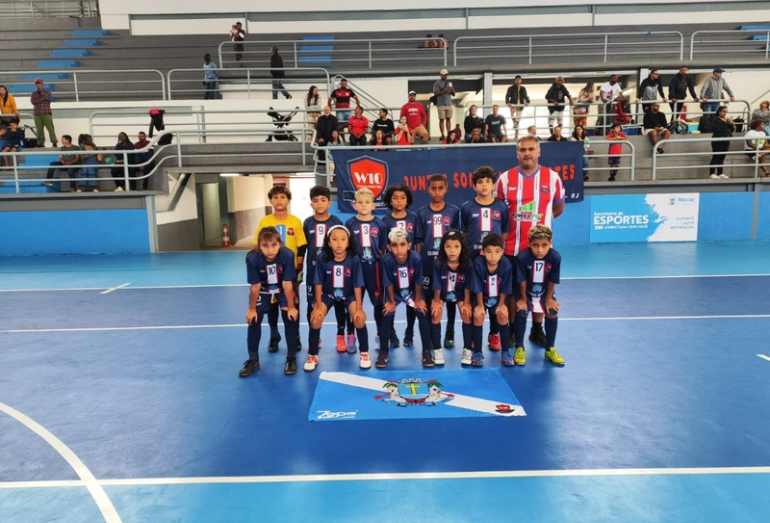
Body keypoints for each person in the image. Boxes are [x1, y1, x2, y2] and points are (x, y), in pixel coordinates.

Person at [494, 136, 564, 348]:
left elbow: (558, 208)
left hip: (540, 251)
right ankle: (516, 331)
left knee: (540, 290)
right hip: (513, 249)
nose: (527, 153)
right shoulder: (505, 179)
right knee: (515, 293)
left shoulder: (552, 178)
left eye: (531, 149)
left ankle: (536, 329)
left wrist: (541, 224)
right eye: (522, 149)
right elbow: (498, 211)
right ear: (517, 153)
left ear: (539, 151)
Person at [305, 225, 371, 371]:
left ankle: (364, 353)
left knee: (359, 319)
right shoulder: (322, 258)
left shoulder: (353, 259)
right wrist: (317, 307)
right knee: (315, 318)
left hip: (348, 295)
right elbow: (318, 283)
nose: (339, 243)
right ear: (329, 242)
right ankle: (313, 355)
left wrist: (359, 308)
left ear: (348, 242)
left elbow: (357, 284)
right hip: (327, 295)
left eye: (343, 239)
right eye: (334, 239)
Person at [460, 165, 510, 351]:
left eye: (488, 182)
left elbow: (504, 233)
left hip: (494, 262)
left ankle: (494, 334)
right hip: (473, 260)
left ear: (493, 184)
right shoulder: (467, 207)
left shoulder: (501, 207)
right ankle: (475, 335)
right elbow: (464, 233)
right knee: (476, 297)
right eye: (480, 182)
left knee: (494, 296)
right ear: (474, 186)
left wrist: (494, 253)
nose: (484, 185)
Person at [240, 226, 300, 377]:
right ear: (259, 246)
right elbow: (255, 286)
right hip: (263, 289)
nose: (270, 250)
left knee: (290, 317)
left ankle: (291, 357)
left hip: (282, 287)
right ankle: (253, 360)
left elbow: (287, 283)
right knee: (254, 320)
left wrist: (291, 306)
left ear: (280, 244)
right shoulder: (252, 258)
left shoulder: (287, 255)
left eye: (274, 245)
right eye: (265, 245)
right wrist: (252, 309)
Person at [254, 185, 307, 352]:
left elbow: (302, 247)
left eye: (282, 197)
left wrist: (298, 270)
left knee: (292, 304)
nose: (279, 200)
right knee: (271, 305)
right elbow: (258, 245)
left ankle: (295, 335)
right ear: (270, 201)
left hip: (290, 273)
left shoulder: (295, 221)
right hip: (269, 273)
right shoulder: (265, 221)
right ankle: (274, 334)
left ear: (288, 200)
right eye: (275, 197)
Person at [303, 185, 354, 353]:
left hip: (333, 273)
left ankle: (340, 336)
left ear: (329, 203)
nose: (319, 204)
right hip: (313, 273)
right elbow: (304, 248)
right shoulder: (307, 223)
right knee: (312, 305)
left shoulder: (336, 223)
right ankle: (315, 336)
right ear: (311, 204)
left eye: (323, 200)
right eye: (315, 201)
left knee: (339, 304)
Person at [377, 228, 434, 368]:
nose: (399, 249)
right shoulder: (387, 260)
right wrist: (391, 302)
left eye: (402, 244)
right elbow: (388, 283)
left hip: (411, 291)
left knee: (422, 312)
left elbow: (418, 281)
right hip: (395, 293)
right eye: (394, 245)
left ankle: (427, 351)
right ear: (389, 247)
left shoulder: (415, 258)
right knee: (386, 313)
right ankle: (384, 351)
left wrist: (418, 300)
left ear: (409, 245)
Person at [415, 174, 460, 350]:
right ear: (428, 189)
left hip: (449, 266)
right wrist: (422, 260)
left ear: (446, 188)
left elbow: (458, 239)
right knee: (430, 300)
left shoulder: (454, 211)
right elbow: (418, 241)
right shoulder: (422, 213)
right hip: (428, 265)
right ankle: (432, 338)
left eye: (440, 188)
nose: (437, 191)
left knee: (450, 298)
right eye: (433, 188)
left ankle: (450, 331)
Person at [513, 225, 564, 366]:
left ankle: (550, 349)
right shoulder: (522, 257)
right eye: (535, 245)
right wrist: (523, 299)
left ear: (550, 244)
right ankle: (519, 348)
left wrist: (548, 299)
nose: (540, 250)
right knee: (521, 311)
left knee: (552, 311)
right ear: (529, 244)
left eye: (544, 245)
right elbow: (522, 280)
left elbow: (553, 279)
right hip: (526, 291)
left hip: (544, 291)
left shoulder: (555, 257)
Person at [345, 188, 387, 351]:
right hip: (356, 267)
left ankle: (379, 334)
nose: (363, 205)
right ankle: (351, 335)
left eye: (367, 202)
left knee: (378, 303)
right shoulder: (350, 223)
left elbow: (382, 249)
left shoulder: (379, 223)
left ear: (373, 205)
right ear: (354, 205)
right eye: (360, 202)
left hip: (374, 267)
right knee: (354, 302)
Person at [466, 234, 512, 367]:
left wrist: (502, 305)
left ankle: (506, 352)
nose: (493, 256)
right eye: (489, 252)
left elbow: (505, 287)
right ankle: (478, 352)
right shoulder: (478, 264)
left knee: (502, 315)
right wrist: (480, 305)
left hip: (498, 298)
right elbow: (477, 287)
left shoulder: (506, 264)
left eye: (497, 252)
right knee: (479, 316)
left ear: (502, 252)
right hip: (482, 297)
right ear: (482, 252)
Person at [382, 184, 419, 348]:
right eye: (395, 197)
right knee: (390, 302)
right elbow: (384, 247)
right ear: (390, 200)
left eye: (403, 197)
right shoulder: (385, 220)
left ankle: (409, 332)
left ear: (408, 200)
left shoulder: (413, 218)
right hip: (393, 270)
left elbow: (418, 242)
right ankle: (391, 334)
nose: (399, 201)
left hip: (410, 269)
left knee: (411, 301)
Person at [429, 229, 472, 365]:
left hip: (459, 294)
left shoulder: (467, 264)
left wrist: (466, 302)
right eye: (448, 247)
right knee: (436, 313)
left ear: (462, 247)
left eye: (456, 246)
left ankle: (467, 350)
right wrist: (436, 301)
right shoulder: (438, 263)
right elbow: (436, 284)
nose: (452, 251)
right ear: (443, 247)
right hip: (442, 294)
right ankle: (437, 350)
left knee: (466, 314)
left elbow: (467, 286)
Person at [709, 106, 735, 180]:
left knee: (722, 157)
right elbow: (716, 129)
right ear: (719, 112)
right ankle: (712, 173)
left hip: (726, 139)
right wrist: (724, 122)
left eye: (726, 112)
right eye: (723, 111)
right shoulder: (715, 120)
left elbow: (732, 130)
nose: (725, 113)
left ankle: (720, 172)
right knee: (716, 156)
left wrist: (731, 124)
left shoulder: (727, 120)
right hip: (718, 140)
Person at [30, 79, 57, 148]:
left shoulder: (48, 92)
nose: (38, 85)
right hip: (37, 113)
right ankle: (41, 142)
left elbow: (47, 98)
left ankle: (54, 142)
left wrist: (41, 94)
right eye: (37, 84)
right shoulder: (33, 93)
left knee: (50, 128)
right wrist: (42, 98)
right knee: (39, 129)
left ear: (42, 84)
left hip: (46, 113)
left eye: (39, 83)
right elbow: (33, 102)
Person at [433, 69, 456, 141]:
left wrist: (452, 89)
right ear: (441, 75)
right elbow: (436, 93)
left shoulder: (449, 83)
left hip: (449, 103)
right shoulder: (437, 83)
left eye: (446, 75)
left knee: (448, 119)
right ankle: (442, 134)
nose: (445, 76)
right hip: (441, 104)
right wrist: (446, 90)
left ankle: (449, 133)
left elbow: (454, 94)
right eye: (444, 75)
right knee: (441, 119)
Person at [505, 76, 530, 140]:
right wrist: (507, 102)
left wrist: (527, 101)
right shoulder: (511, 88)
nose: (518, 81)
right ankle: (516, 129)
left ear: (521, 81)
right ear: (514, 80)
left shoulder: (523, 88)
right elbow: (507, 95)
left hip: (520, 105)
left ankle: (516, 135)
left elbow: (525, 95)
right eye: (516, 80)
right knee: (513, 116)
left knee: (518, 120)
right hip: (513, 104)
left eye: (519, 80)